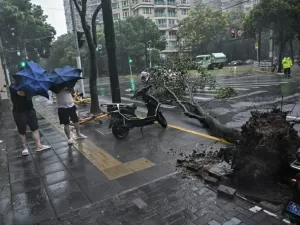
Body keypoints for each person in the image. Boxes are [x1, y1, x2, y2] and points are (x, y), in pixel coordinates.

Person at [10, 85, 51, 156]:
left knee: (35, 128)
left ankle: (38, 146)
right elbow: (20, 93)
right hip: (19, 112)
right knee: (22, 131)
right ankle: (24, 149)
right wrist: (30, 92)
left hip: (29, 110)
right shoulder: (13, 87)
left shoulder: (28, 86)